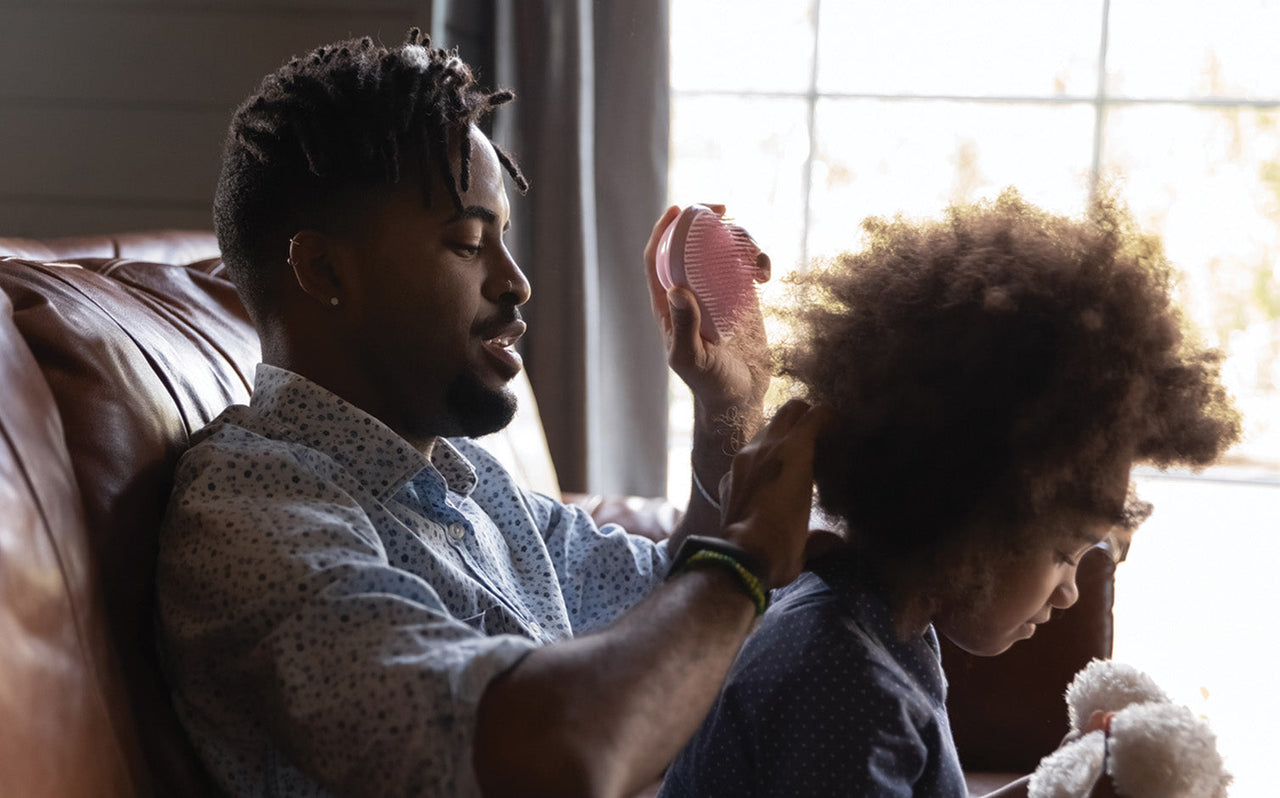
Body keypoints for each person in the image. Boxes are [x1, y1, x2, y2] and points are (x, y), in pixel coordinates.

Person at [156, 30, 830, 798]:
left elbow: (664, 602)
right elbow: (552, 755)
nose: (517, 283)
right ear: (323, 270)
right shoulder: (254, 515)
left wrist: (728, 413)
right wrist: (741, 563)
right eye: (468, 243)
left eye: (503, 240)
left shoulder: (466, 484)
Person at [658, 190, 1241, 798]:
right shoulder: (844, 682)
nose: (1070, 593)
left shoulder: (865, 621)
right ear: (967, 520)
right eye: (1066, 554)